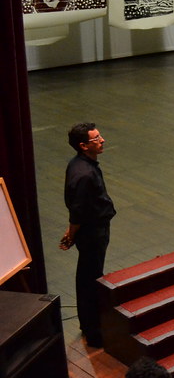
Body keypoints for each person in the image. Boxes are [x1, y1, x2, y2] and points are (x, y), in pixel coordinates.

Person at [59, 122, 116, 348]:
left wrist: (72, 230)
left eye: (100, 136)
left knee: (87, 277)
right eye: (96, 139)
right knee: (91, 280)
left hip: (91, 228)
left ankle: (89, 324)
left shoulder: (79, 164)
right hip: (93, 231)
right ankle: (94, 332)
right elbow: (78, 209)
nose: (102, 140)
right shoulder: (84, 174)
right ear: (83, 146)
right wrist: (71, 233)